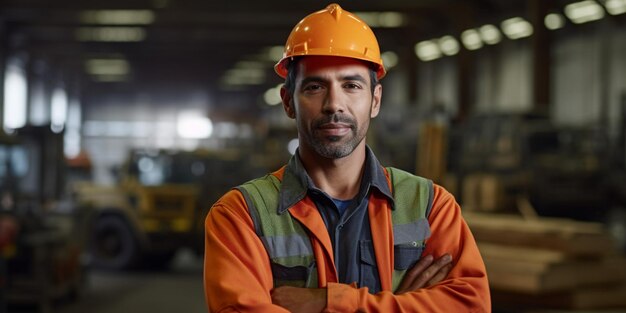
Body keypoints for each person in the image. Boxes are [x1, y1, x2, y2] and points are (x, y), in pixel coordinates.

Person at [204, 3, 490, 312]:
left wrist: (330, 301)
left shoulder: (431, 206)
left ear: (375, 100)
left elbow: (470, 305)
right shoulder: (241, 216)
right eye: (315, 87)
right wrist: (401, 303)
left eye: (351, 85)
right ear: (288, 102)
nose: (334, 104)